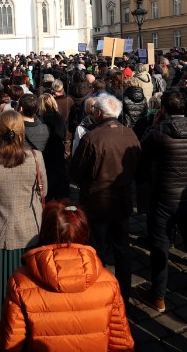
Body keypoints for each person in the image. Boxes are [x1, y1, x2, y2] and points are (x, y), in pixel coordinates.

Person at [0, 201, 135, 351]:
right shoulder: (108, 282)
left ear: (45, 232)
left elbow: (11, 342)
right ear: (84, 233)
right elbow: (121, 341)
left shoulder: (20, 283)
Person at [135, 91, 187, 312]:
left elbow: (141, 156)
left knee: (160, 246)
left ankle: (158, 296)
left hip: (164, 196)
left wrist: (152, 126)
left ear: (163, 110)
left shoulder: (158, 133)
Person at [71, 93, 141, 300]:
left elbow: (76, 173)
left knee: (97, 248)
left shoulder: (92, 137)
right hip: (122, 199)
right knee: (122, 246)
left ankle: (98, 292)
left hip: (97, 202)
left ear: (99, 113)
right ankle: (124, 292)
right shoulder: (130, 134)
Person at [0, 110, 47, 324]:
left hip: (0, 228)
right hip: (29, 229)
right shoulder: (35, 157)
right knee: (28, 284)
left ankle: (2, 320)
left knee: (1, 284)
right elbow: (43, 191)